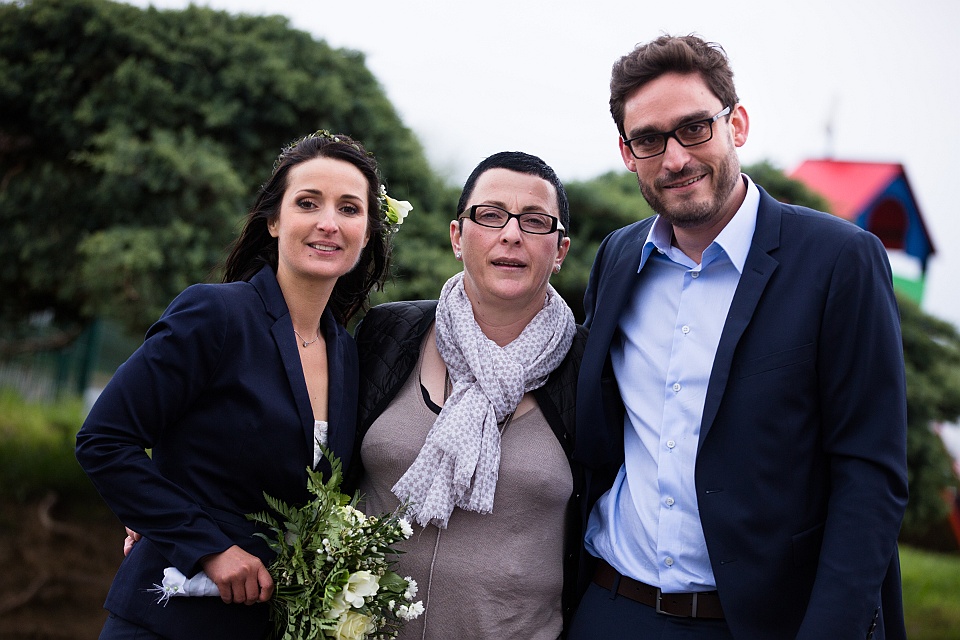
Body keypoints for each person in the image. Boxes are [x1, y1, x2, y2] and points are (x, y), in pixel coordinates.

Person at [568, 35, 909, 640]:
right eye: (649, 139)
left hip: (758, 623)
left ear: (737, 125)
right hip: (611, 604)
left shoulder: (839, 260)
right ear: (627, 152)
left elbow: (870, 473)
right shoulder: (619, 256)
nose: (675, 159)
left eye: (694, 128)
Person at [76, 131, 394, 639]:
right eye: (307, 203)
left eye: (349, 208)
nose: (328, 222)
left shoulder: (348, 354)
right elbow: (104, 440)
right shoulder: (216, 314)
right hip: (169, 620)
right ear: (274, 221)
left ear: (368, 231)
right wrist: (204, 545)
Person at [350, 151, 585, 639]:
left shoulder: (590, 365)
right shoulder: (388, 333)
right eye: (491, 215)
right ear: (458, 236)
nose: (512, 234)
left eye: (535, 221)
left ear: (560, 250)